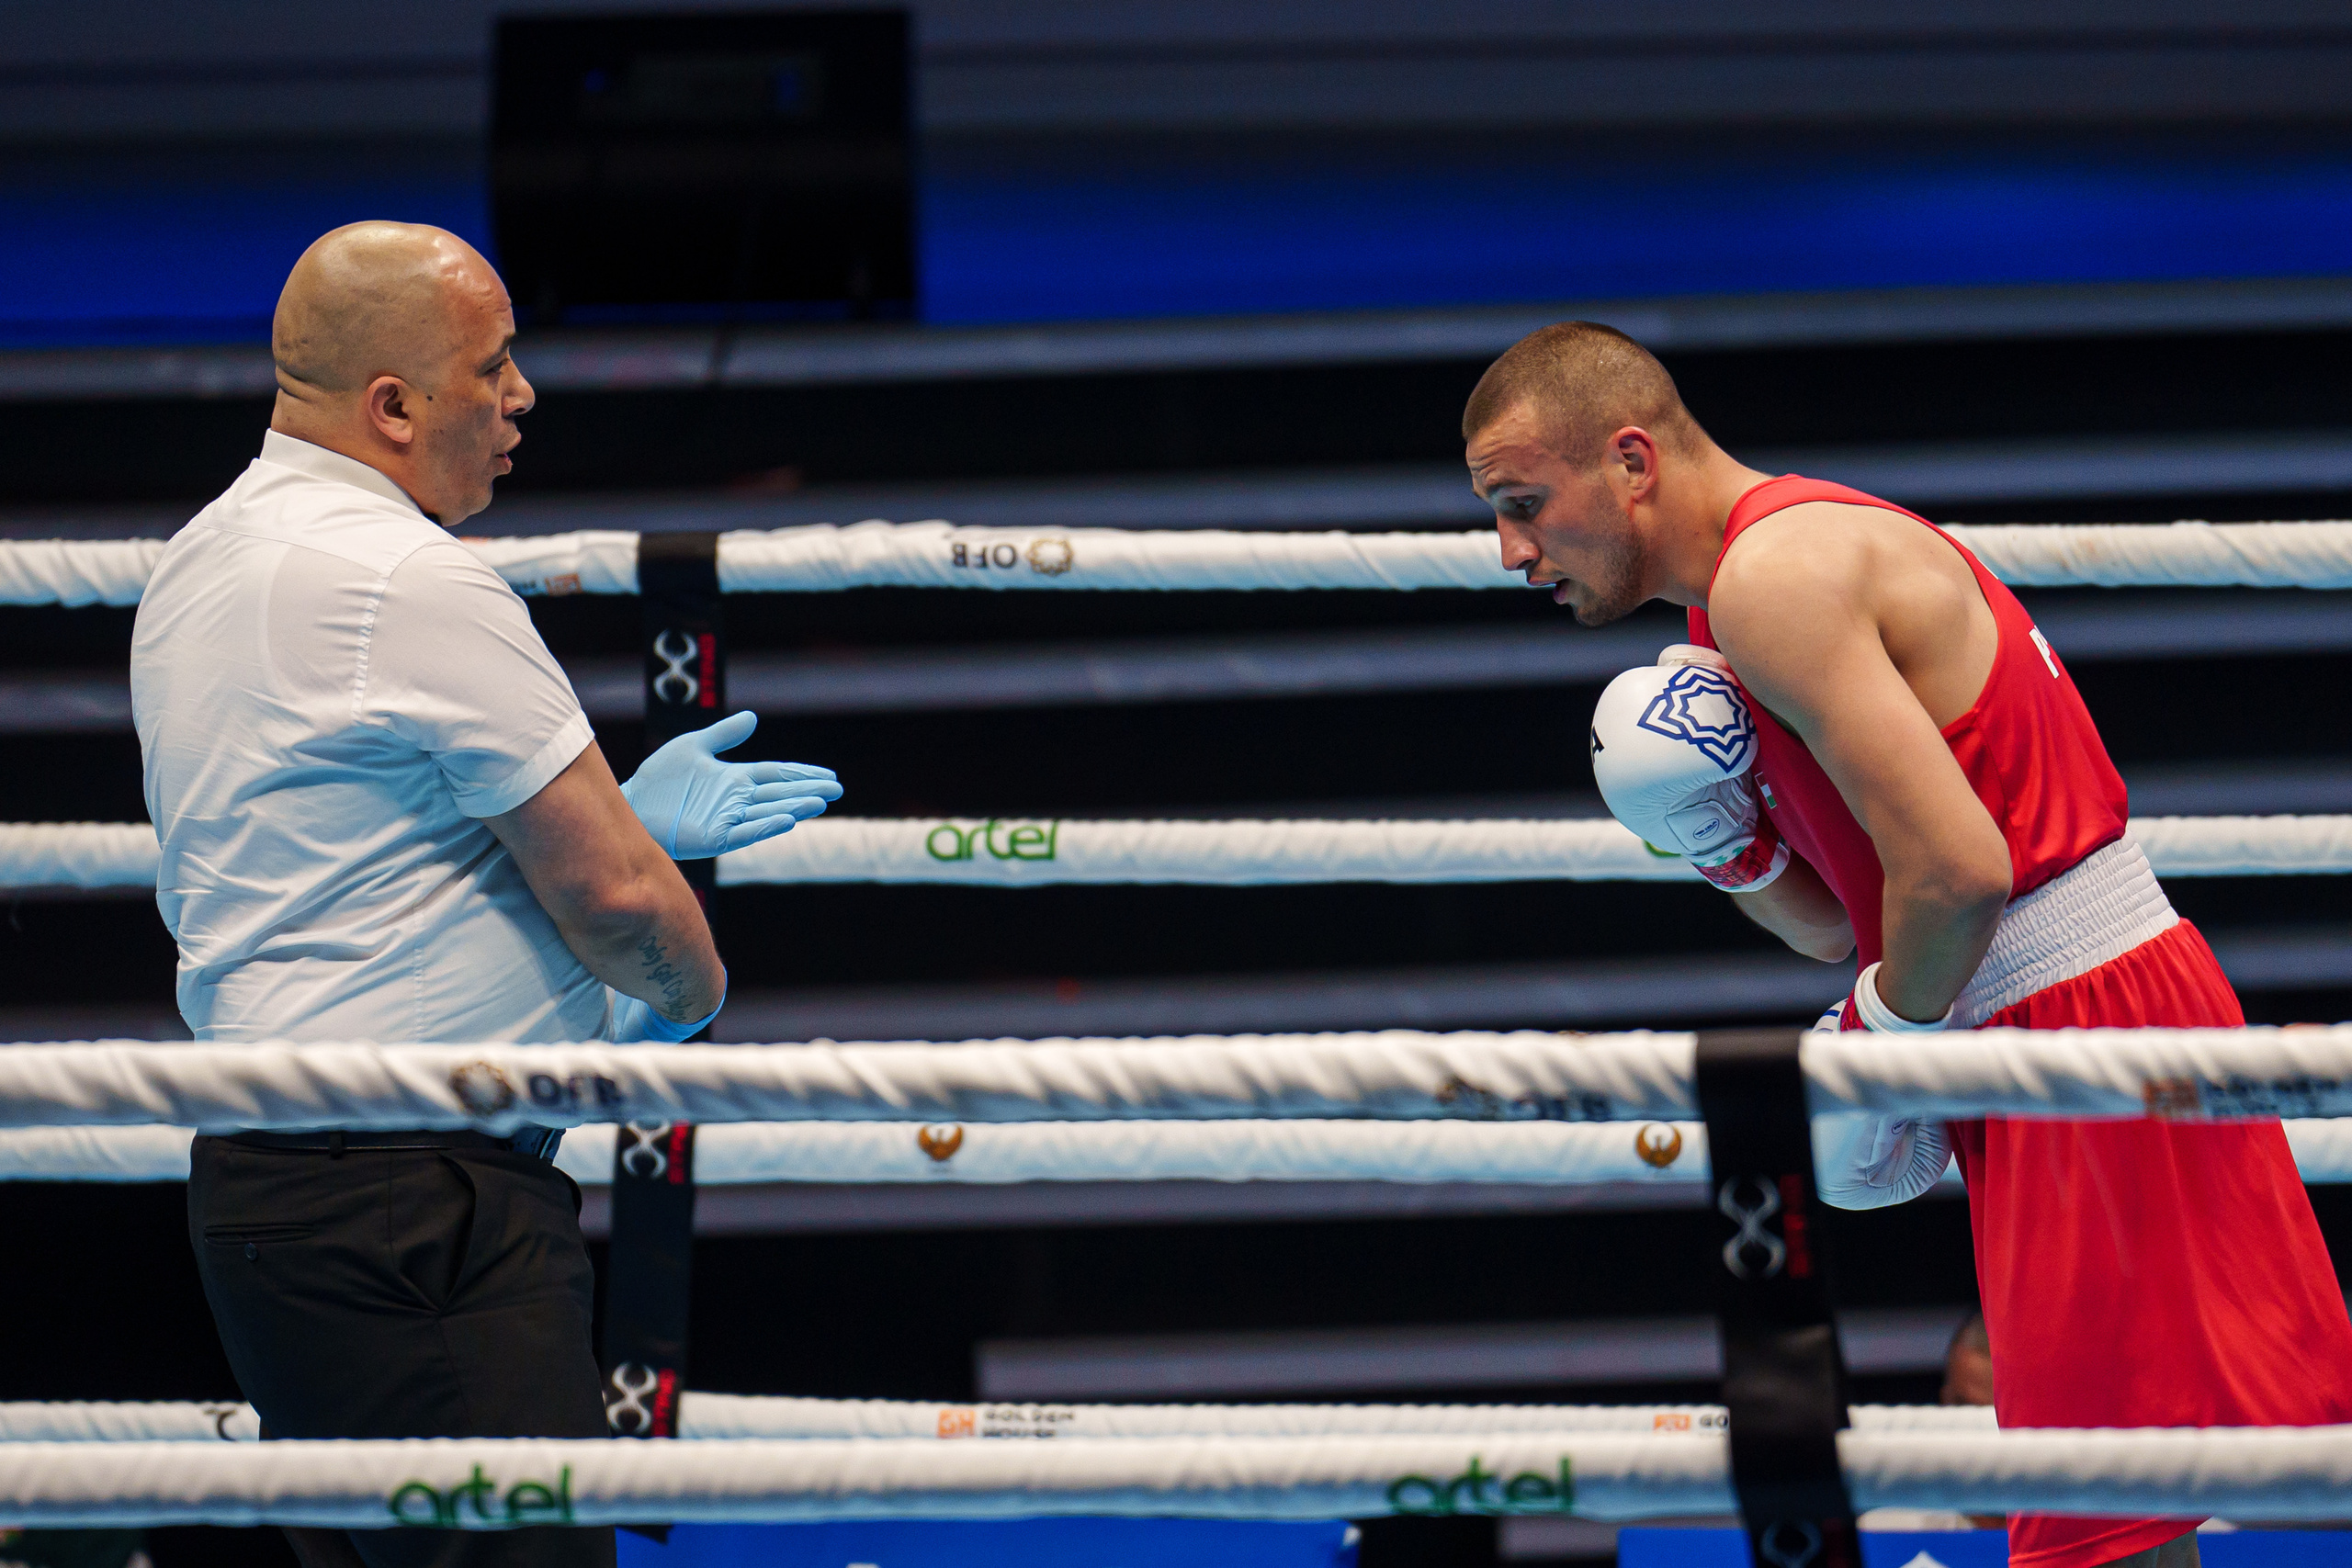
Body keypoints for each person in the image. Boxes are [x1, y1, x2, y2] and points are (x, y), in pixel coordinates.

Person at [1466, 321, 2352, 1568]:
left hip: (2071, 1015)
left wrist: (1875, 1042)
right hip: (2061, 1009)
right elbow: (1852, 917)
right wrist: (1725, 847)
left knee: (2100, 1518)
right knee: (2127, 1503)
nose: (1511, 552)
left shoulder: (1777, 580)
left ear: (1631, 461)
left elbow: (1960, 876)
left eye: (1523, 505)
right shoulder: (1741, 600)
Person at [129, 222, 842, 1568]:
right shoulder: (408, 575)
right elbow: (622, 903)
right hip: (421, 1211)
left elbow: (353, 861)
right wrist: (685, 989)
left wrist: (624, 828)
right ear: (393, 408)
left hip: (271, 1195)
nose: (522, 397)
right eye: (492, 365)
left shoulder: (196, 564)